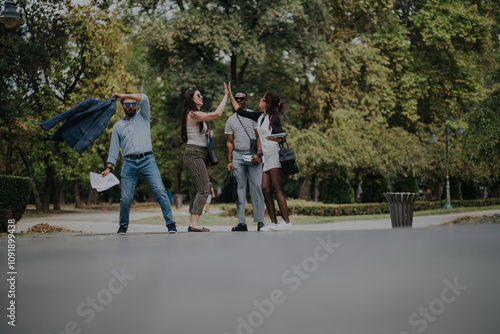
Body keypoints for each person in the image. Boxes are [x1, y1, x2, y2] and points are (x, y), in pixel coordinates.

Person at [101, 93, 177, 234]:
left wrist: (123, 95)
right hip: (129, 163)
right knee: (125, 198)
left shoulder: (143, 116)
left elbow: (145, 98)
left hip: (147, 160)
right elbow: (113, 148)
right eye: (128, 104)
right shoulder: (118, 127)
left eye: (133, 103)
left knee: (160, 191)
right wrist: (108, 167)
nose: (131, 106)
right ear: (122, 106)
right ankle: (123, 226)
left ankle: (171, 224)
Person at [229, 88, 292, 231]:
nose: (260, 100)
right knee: (264, 188)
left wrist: (269, 138)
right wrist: (230, 95)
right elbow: (240, 111)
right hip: (266, 158)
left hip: (275, 156)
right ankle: (274, 222)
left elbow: (281, 138)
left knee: (276, 189)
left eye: (262, 99)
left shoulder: (273, 119)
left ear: (268, 103)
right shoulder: (260, 117)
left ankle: (287, 222)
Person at [181, 83, 229, 232]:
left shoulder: (195, 116)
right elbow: (216, 114)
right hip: (194, 154)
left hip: (199, 153)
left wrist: (207, 135)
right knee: (203, 189)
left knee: (196, 190)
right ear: (191, 99)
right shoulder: (193, 114)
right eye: (198, 95)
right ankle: (194, 225)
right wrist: (226, 95)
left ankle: (192, 223)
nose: (202, 97)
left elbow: (193, 134)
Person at [225, 91, 265, 231]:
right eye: (236, 99)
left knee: (257, 187)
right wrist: (229, 161)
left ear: (246, 101)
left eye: (242, 99)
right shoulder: (230, 120)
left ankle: (260, 221)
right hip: (238, 157)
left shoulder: (253, 116)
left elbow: (259, 137)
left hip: (254, 156)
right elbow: (230, 142)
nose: (239, 100)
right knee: (239, 190)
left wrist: (259, 154)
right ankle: (242, 223)